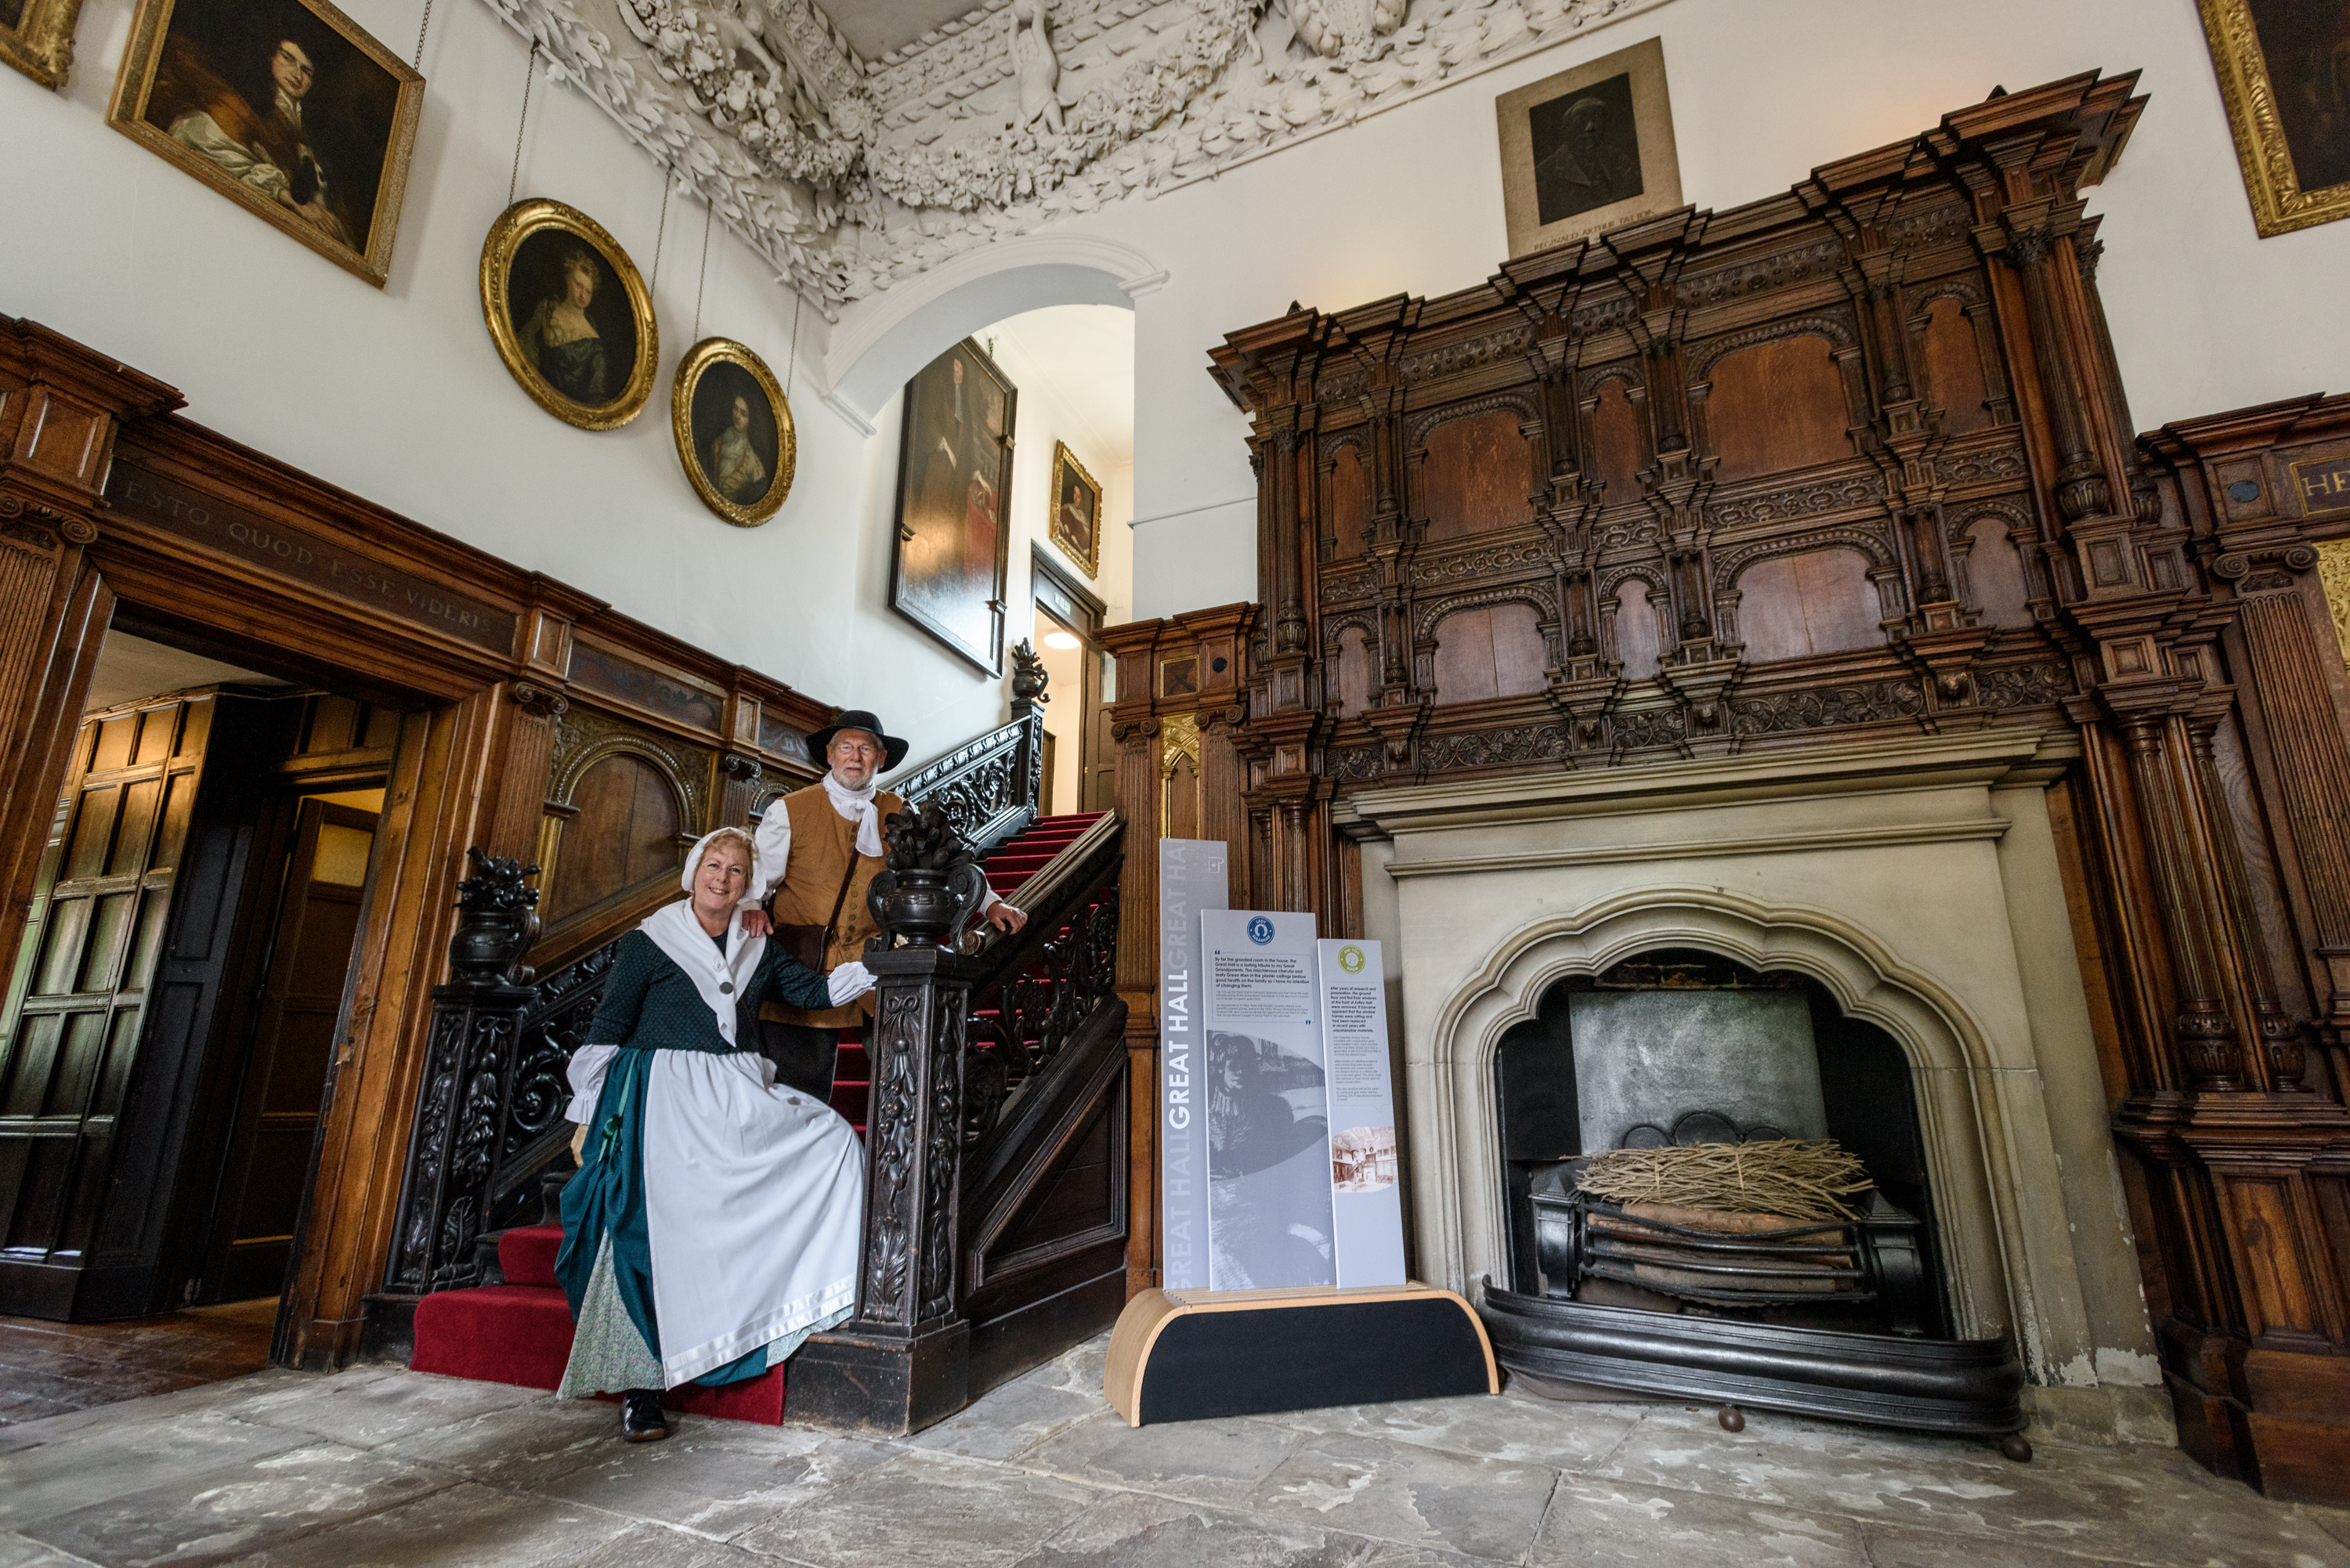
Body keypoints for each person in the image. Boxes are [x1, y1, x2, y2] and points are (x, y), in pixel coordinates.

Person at [555, 826, 873, 1442]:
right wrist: (587, 1111)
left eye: (736, 870)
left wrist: (882, 967)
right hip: (659, 1097)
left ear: (749, 885)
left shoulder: (758, 943)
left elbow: (811, 991)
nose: (722, 877)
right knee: (646, 1233)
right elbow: (611, 1021)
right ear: (695, 869)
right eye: (714, 865)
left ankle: (794, 1303)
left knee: (833, 1140)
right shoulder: (650, 941)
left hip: (736, 1096)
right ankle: (639, 1390)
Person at [741, 710, 1025, 1101]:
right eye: (846, 747)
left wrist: (990, 905)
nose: (854, 757)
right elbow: (756, 877)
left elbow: (950, 863)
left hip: (880, 961)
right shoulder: (790, 810)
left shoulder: (901, 810)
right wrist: (751, 904)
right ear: (829, 754)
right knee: (796, 1095)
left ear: (880, 759)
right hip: (806, 966)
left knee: (909, 1079)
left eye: (866, 749)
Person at [164, 36, 352, 246]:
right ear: (271, 57)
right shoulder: (247, 108)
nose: (297, 75)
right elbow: (224, 156)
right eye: (287, 58)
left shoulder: (310, 128)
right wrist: (293, 200)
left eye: (307, 71)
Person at [517, 246, 611, 403]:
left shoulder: (594, 342)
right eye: (578, 285)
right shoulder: (547, 310)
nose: (583, 295)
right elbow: (523, 346)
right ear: (568, 279)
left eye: (588, 291)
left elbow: (596, 397)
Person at [708, 392, 768, 503]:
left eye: (744, 414)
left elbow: (761, 490)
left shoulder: (751, 459)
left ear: (750, 420)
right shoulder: (719, 442)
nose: (737, 416)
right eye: (735, 409)